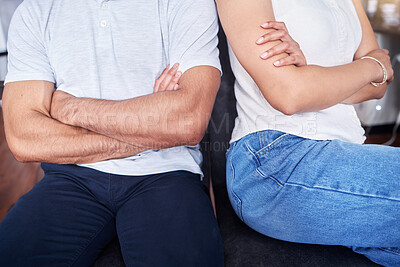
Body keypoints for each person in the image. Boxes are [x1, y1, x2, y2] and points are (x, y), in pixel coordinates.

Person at [0, 0, 227, 265]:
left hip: (166, 174)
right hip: (71, 177)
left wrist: (70, 108)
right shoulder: (36, 10)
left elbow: (187, 120)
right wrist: (153, 128)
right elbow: (24, 139)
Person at [216, 0, 399, 266]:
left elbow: (378, 86)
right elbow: (290, 95)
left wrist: (310, 73)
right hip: (275, 159)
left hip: (348, 150)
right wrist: (371, 66)